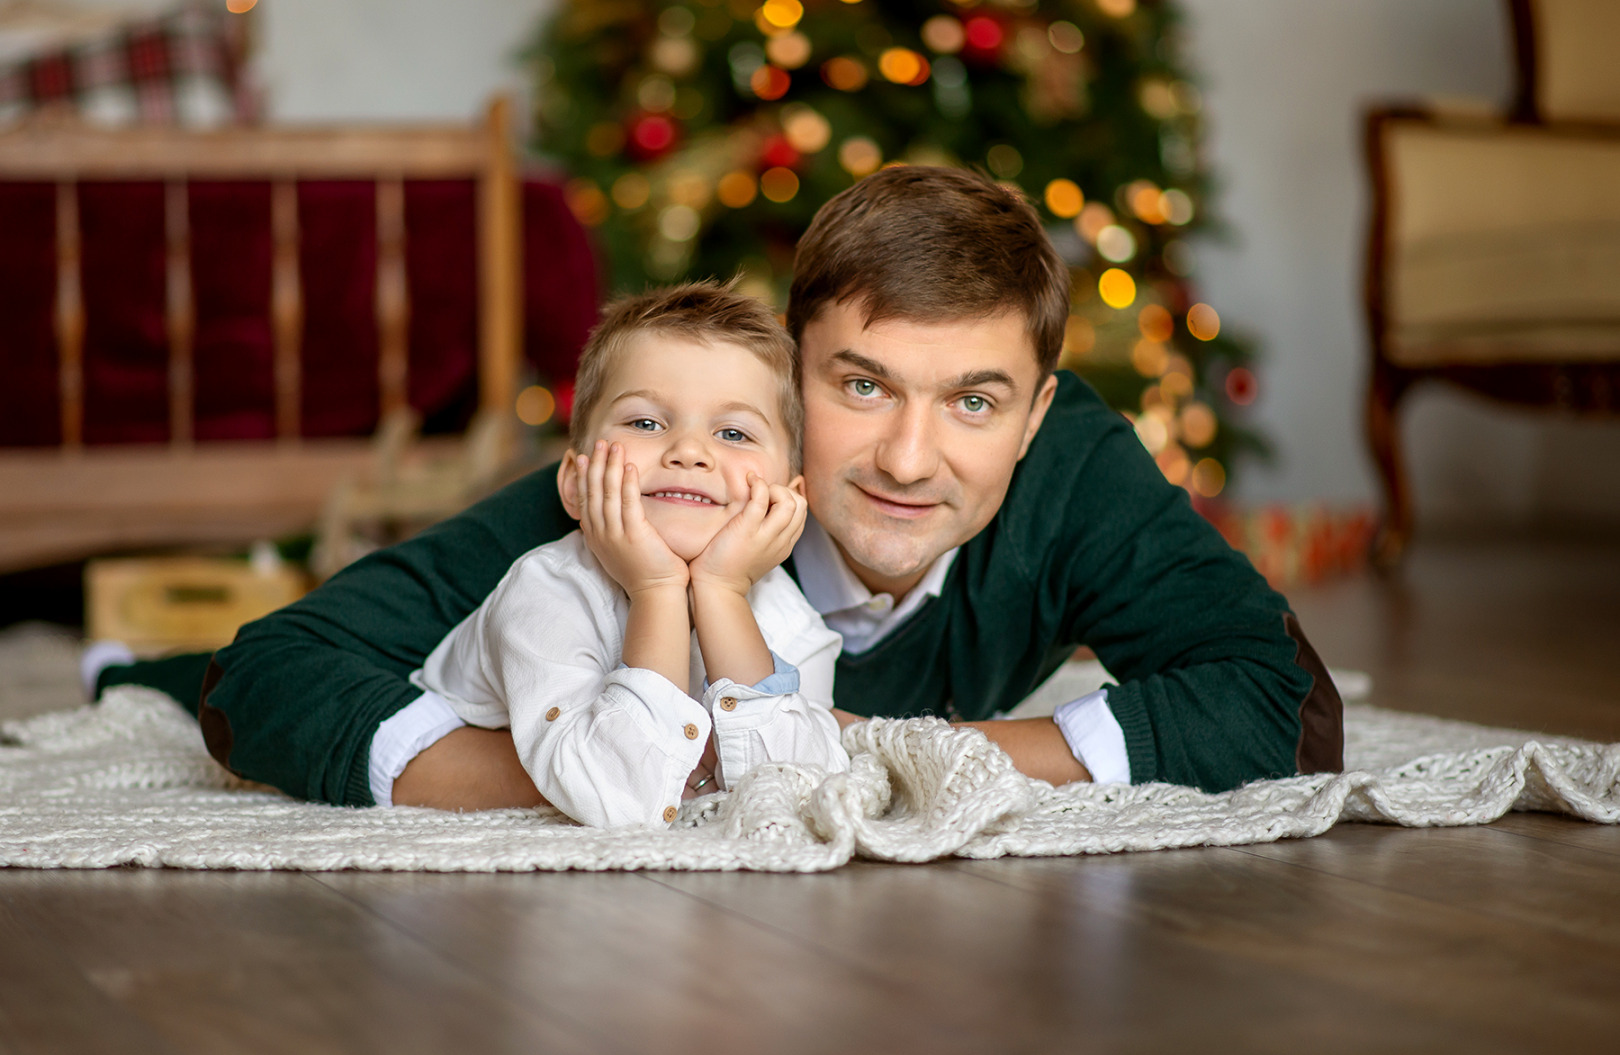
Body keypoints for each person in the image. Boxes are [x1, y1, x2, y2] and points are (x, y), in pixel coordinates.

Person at [94, 165, 1340, 811]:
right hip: (529, 683)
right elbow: (266, 675)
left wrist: (899, 756)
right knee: (186, 673)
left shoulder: (1075, 472)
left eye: (972, 401)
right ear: (785, 388)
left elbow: (1286, 708)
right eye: (860, 388)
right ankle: (118, 667)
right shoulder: (653, 488)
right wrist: (634, 763)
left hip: (876, 713)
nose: (912, 460)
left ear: (1033, 415)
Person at [408, 282, 846, 827]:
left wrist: (721, 592)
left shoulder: (790, 620)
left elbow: (796, 796)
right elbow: (620, 801)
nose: (689, 452)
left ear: (789, 501)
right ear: (575, 482)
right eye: (645, 423)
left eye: (733, 433)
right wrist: (658, 590)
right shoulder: (545, 593)